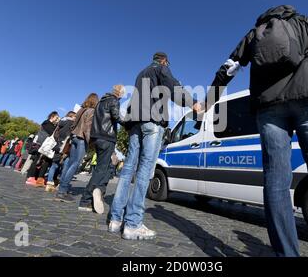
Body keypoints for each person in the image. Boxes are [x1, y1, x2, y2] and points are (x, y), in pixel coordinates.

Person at [207, 5, 308, 257]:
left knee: (276, 182)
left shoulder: (254, 34)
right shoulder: (306, 23)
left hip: (269, 108)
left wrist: (209, 99)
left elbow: (230, 67)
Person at [109, 52, 201, 240]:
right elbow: (174, 88)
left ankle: (115, 220)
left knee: (127, 170)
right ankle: (133, 224)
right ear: (164, 61)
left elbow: (134, 101)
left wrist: (128, 124)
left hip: (136, 124)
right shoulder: (161, 69)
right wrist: (193, 103)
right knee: (145, 170)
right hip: (152, 123)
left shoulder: (141, 73)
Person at [79, 85, 126, 213]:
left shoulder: (101, 101)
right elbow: (116, 117)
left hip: (97, 138)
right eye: (123, 93)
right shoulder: (114, 101)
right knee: (101, 170)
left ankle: (99, 191)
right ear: (120, 93)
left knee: (105, 168)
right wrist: (129, 123)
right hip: (107, 137)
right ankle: (86, 200)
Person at [55, 93, 99, 202]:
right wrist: (91, 143)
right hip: (81, 139)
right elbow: (87, 128)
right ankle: (62, 191)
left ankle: (61, 188)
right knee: (74, 165)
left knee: (69, 163)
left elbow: (73, 125)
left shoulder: (81, 110)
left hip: (74, 137)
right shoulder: (92, 111)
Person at [25, 112, 60, 187]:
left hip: (45, 145)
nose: (57, 119)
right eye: (56, 118)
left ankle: (37, 178)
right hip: (41, 145)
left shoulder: (51, 125)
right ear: (52, 117)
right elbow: (52, 132)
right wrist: (58, 126)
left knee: (42, 162)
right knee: (36, 161)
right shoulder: (46, 123)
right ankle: (30, 178)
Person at [45, 111, 76, 192]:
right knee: (65, 166)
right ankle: (60, 185)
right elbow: (69, 135)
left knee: (54, 165)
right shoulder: (71, 123)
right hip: (65, 146)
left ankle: (49, 183)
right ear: (72, 116)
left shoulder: (61, 122)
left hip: (58, 145)